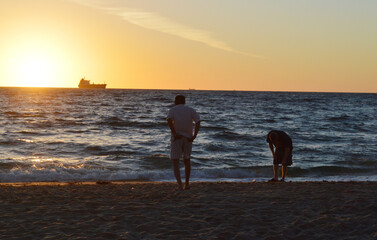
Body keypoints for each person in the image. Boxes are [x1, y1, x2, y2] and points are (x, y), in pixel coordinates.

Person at [167, 95, 200, 190]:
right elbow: (198, 121)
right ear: (184, 102)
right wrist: (194, 135)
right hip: (188, 138)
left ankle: (180, 185)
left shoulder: (173, 110)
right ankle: (187, 183)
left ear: (175, 102)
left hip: (177, 138)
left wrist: (174, 132)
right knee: (187, 161)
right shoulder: (190, 110)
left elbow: (169, 120)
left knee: (175, 161)